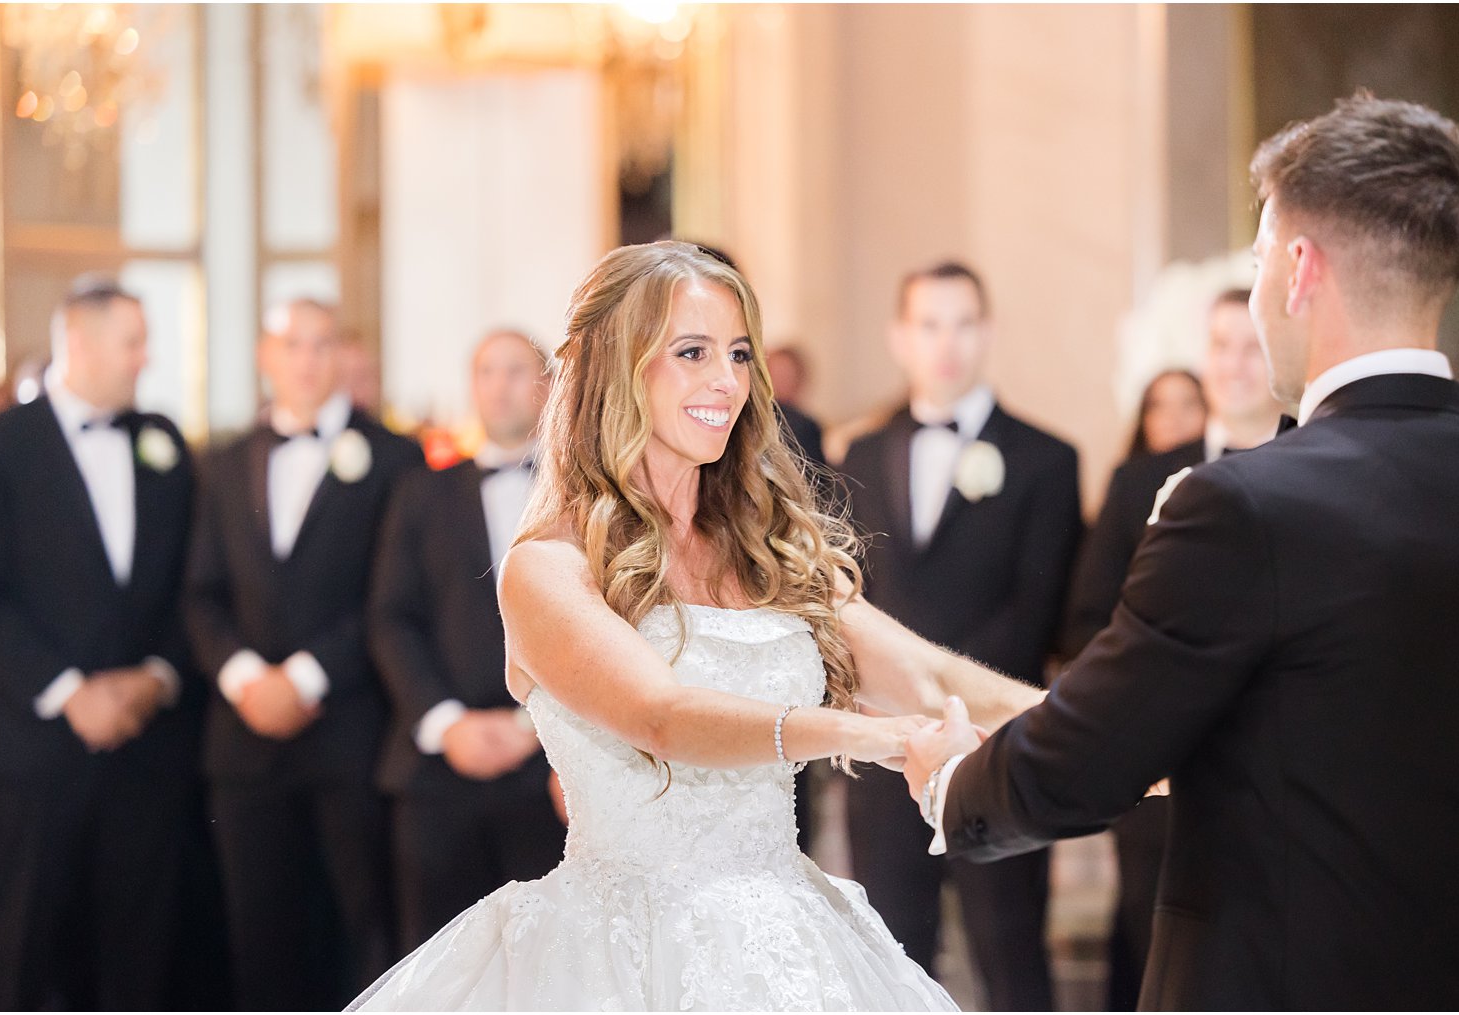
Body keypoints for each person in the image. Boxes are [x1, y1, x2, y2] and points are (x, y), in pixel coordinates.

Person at [348, 241, 1052, 1011]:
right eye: (692, 352)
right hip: (614, 959)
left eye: (740, 353)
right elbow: (664, 716)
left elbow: (931, 677)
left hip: (789, 942)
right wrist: (871, 736)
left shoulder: (770, 552)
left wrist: (1112, 740)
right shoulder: (549, 567)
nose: (728, 381)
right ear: (621, 366)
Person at [903, 95, 1459, 1010]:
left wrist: (951, 781)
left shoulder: (1246, 504)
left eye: (1258, 263)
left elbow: (1085, 763)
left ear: (1299, 271)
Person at [839, 261, 1080, 1009]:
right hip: (883, 748)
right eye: (929, 324)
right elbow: (850, 596)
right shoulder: (859, 455)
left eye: (964, 322)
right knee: (890, 958)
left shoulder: (1046, 459)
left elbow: (1037, 608)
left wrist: (949, 700)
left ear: (989, 332)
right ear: (899, 338)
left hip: (995, 745)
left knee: (1009, 958)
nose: (947, 343)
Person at [186, 298, 425, 1010]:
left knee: (362, 926)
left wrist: (307, 675)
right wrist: (244, 678)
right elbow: (200, 592)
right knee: (260, 935)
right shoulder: (223, 463)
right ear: (267, 356)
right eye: (293, 345)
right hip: (243, 741)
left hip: (350, 732)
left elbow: (391, 595)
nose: (308, 359)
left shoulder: (393, 457)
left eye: (323, 343)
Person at [0, 278, 200, 1009]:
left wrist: (155, 678)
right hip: (30, 754)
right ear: (79, 341)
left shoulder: (162, 441)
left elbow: (186, 582)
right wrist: (70, 692)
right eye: (132, 341)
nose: (146, 358)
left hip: (148, 751)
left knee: (140, 960)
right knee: (18, 956)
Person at [1064, 286, 1284, 1007]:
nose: (1234, 363)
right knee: (1155, 959)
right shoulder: (1141, 482)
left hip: (1286, 777)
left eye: (1251, 345)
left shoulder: (1320, 462)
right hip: (1160, 776)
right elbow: (1089, 620)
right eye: (1220, 345)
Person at [369, 328, 565, 953]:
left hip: (549, 764)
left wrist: (534, 726)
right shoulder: (421, 493)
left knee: (544, 958)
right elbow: (391, 618)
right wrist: (447, 722)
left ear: (547, 387)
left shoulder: (582, 498)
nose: (499, 386)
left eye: (516, 371)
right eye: (486, 371)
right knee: (438, 958)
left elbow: (606, 624)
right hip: (437, 768)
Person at [1124, 368, 1206, 459]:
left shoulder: (1219, 469)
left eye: (1187, 404)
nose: (1174, 416)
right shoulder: (1127, 471)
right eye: (1160, 406)